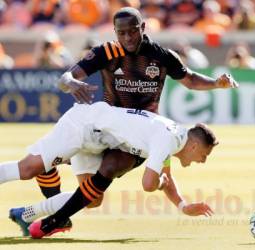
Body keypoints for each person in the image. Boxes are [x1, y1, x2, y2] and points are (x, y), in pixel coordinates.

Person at [10, 6, 238, 236]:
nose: (128, 37)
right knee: (84, 187)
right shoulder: (106, 52)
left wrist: (215, 84)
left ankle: (38, 211)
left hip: (137, 136)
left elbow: (189, 79)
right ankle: (43, 202)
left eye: (133, 31)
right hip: (106, 127)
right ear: (115, 31)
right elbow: (67, 76)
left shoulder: (162, 56)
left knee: (98, 188)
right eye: (122, 32)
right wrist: (70, 83)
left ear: (143, 28)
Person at [2, 101, 217, 238]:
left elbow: (166, 175)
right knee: (27, 169)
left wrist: (182, 206)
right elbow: (150, 183)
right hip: (82, 126)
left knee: (93, 199)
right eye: (204, 156)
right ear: (195, 145)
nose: (202, 161)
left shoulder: (173, 136)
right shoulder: (169, 139)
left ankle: (25, 214)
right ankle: (47, 171)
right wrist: (160, 183)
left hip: (95, 142)